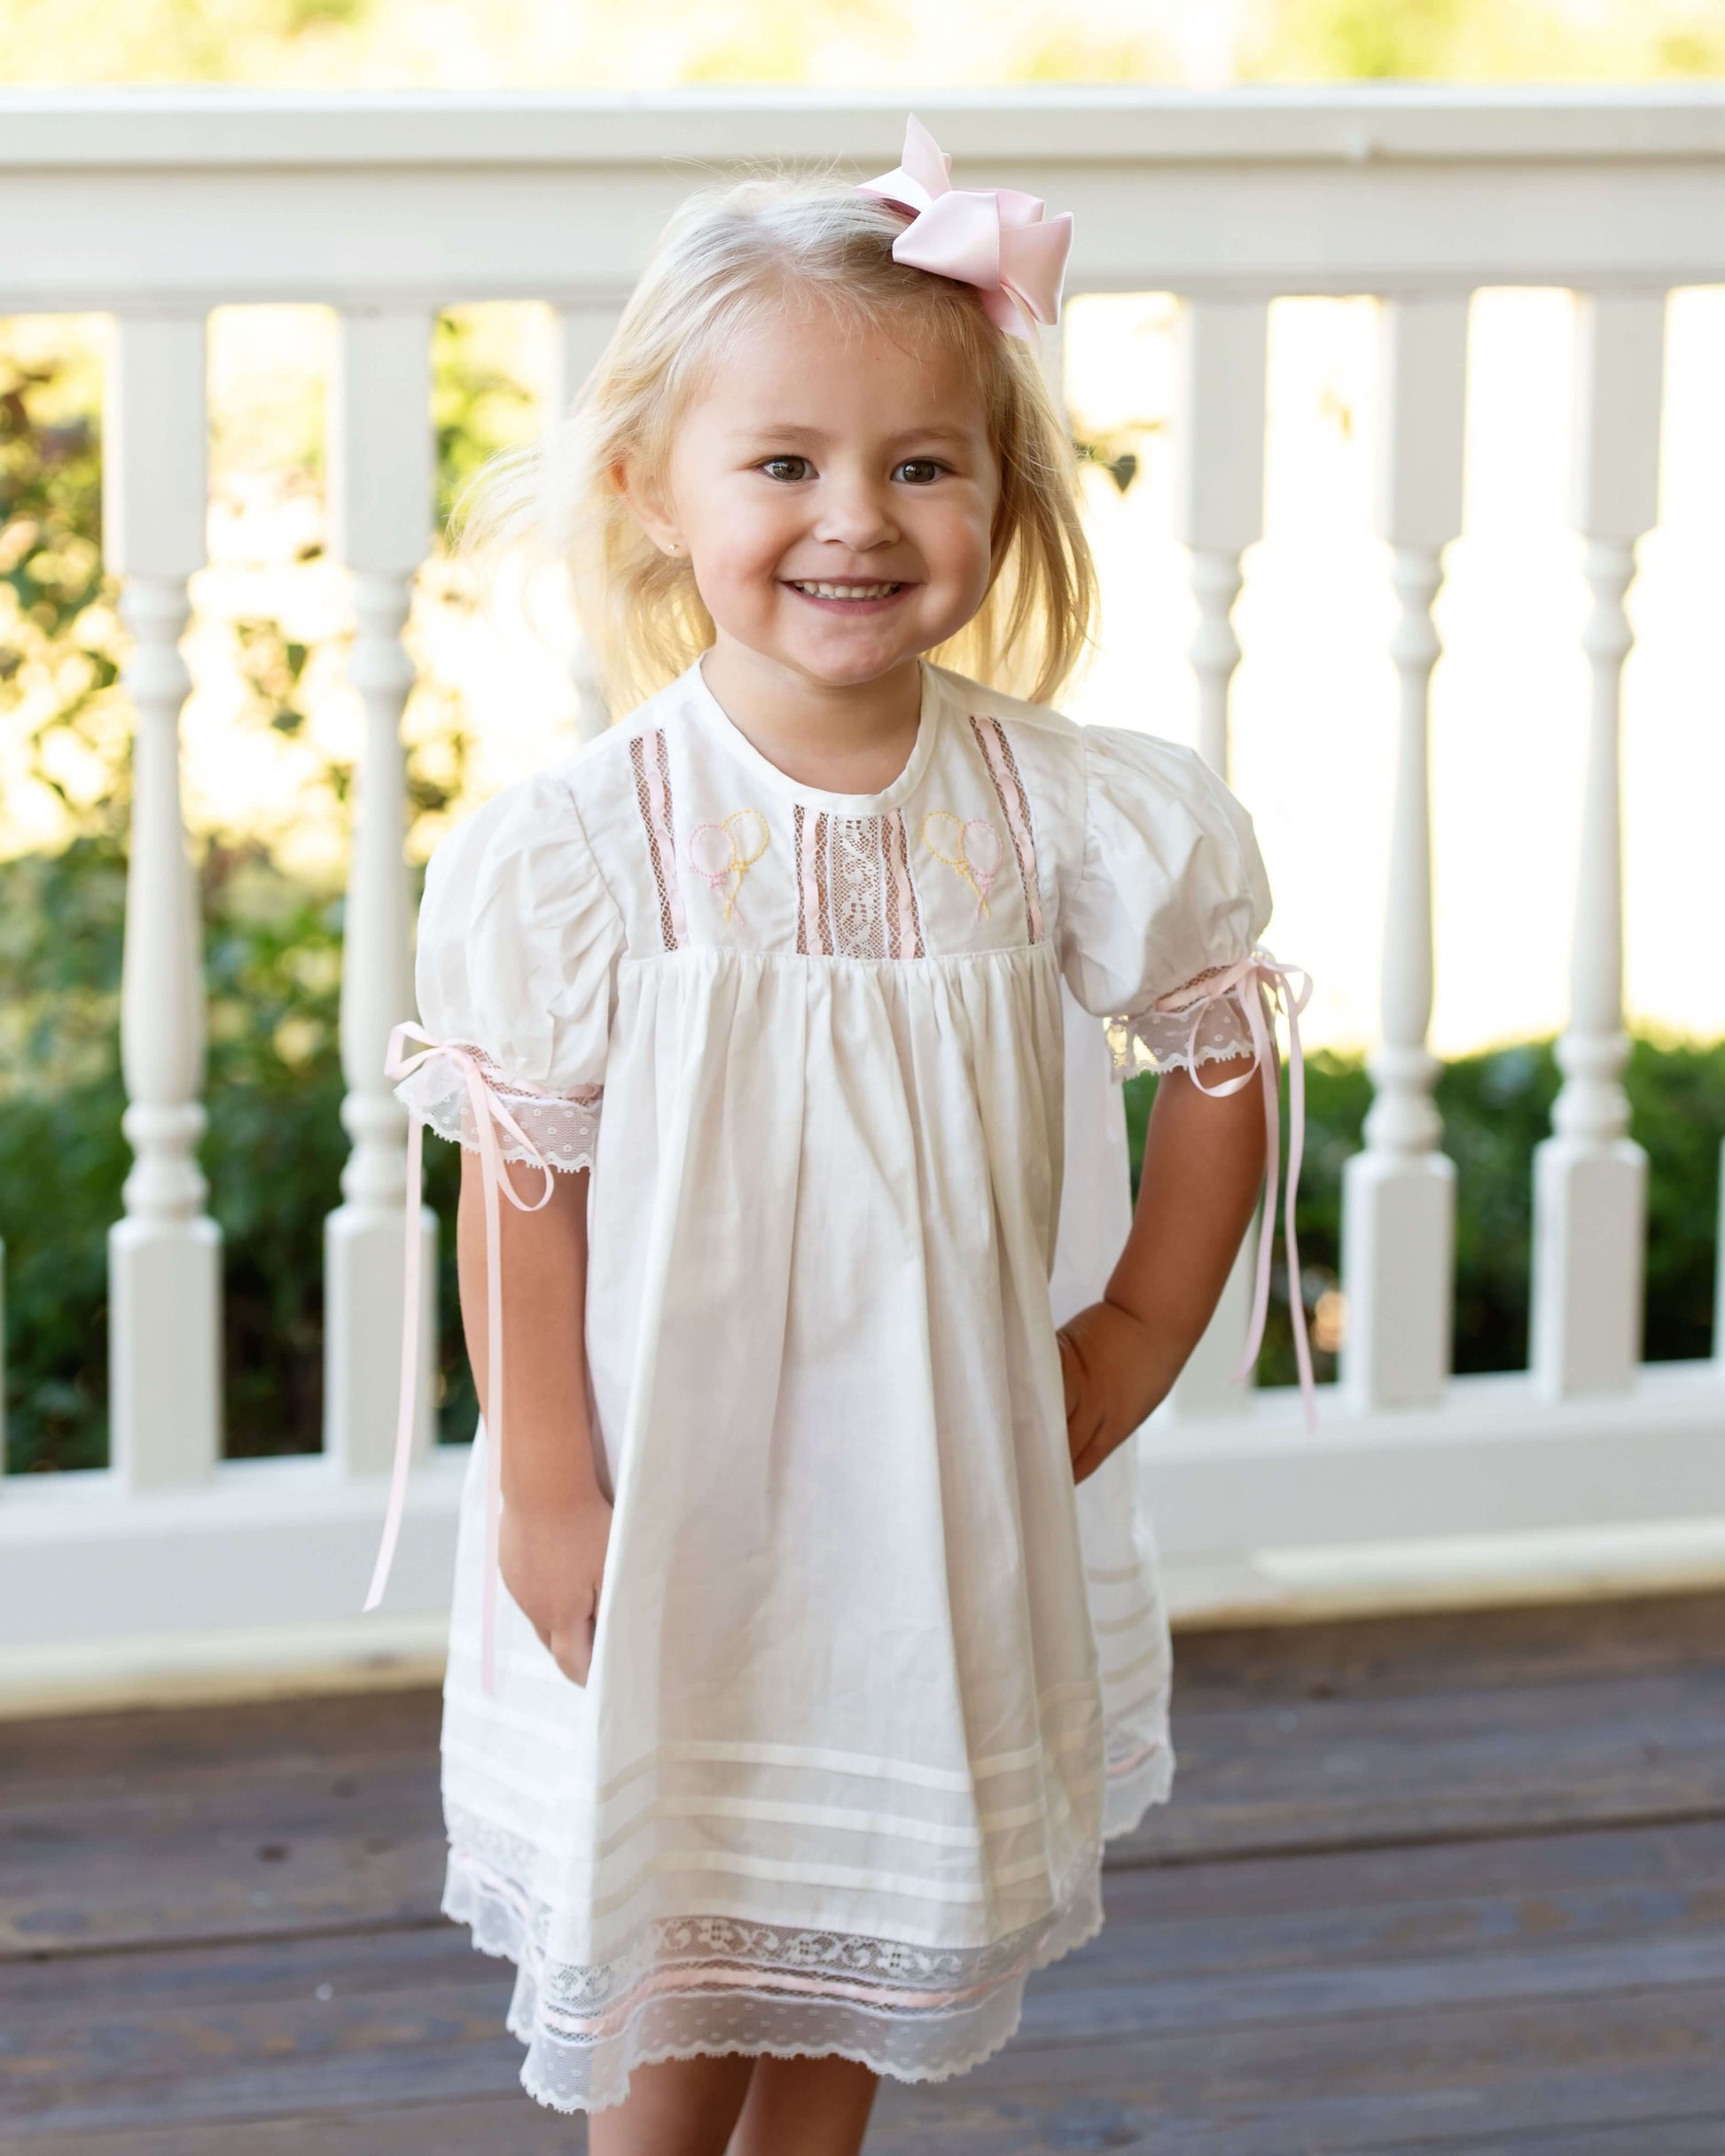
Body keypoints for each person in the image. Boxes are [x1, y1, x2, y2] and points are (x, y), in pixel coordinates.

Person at [369, 114, 1314, 2156]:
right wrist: (547, 1479)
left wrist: (1135, 1336)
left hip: (928, 1488)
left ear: (1000, 493)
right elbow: (518, 1172)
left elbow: (1221, 1052)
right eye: (783, 463)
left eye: (919, 464)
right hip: (670, 1478)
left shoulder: (1064, 810)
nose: (852, 520)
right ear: (652, 486)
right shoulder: (587, 844)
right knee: (686, 1937)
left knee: (862, 1932)